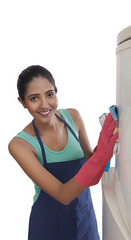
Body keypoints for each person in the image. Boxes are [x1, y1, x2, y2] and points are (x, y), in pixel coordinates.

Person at [8, 65, 118, 240]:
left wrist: (107, 142)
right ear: (22, 102)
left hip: (85, 219)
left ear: (56, 92)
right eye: (34, 98)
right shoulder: (20, 145)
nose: (45, 104)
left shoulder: (73, 117)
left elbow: (92, 167)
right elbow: (63, 194)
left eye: (50, 94)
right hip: (48, 227)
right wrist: (102, 155)